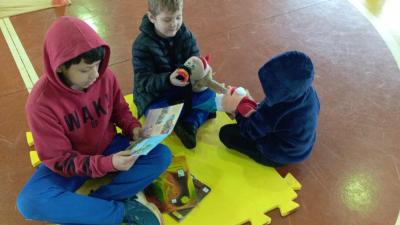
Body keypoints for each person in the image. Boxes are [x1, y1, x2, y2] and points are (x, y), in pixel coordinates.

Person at [16, 16, 171, 225]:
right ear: (60, 67)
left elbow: (120, 110)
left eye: (98, 65)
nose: (95, 74)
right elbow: (62, 161)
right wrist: (107, 164)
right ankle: (120, 210)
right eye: (84, 70)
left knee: (161, 155)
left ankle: (97, 204)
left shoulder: (105, 77)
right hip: (71, 162)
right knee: (29, 202)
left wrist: (133, 129)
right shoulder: (40, 104)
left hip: (109, 146)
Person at [132, 0, 216, 149]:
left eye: (178, 17)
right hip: (156, 95)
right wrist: (168, 79)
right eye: (167, 19)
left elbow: (196, 61)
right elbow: (143, 81)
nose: (174, 24)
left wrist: (202, 73)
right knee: (157, 115)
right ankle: (189, 118)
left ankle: (189, 125)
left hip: (183, 89)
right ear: (152, 17)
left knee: (210, 95)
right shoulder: (141, 45)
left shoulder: (186, 36)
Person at [219, 51, 320, 167]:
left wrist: (237, 110)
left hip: (279, 154)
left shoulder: (274, 110)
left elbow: (249, 131)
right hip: (303, 147)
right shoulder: (309, 92)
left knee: (226, 133)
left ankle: (263, 156)